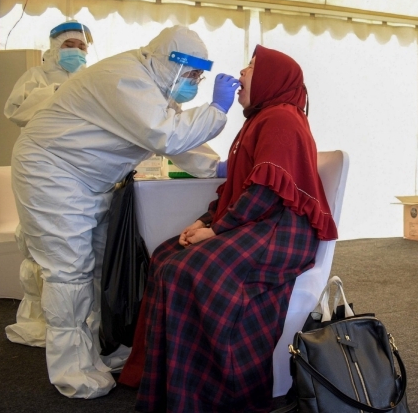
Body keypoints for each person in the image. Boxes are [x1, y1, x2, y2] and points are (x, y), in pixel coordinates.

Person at [9, 25, 239, 399]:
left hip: (86, 180)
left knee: (103, 268)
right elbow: (165, 135)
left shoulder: (152, 87)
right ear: (170, 63)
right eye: (193, 74)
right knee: (69, 272)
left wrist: (214, 168)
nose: (195, 82)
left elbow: (173, 136)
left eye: (201, 76)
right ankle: (74, 371)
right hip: (50, 172)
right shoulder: (125, 77)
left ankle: (105, 347)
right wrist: (216, 110)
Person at [125, 45, 337, 412]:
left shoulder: (280, 119)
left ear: (272, 79)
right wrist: (205, 221)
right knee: (164, 255)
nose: (240, 73)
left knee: (186, 271)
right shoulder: (260, 119)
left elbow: (267, 190)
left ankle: (207, 394)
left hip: (281, 231)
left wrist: (218, 229)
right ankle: (169, 383)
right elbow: (238, 190)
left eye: (252, 67)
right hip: (261, 222)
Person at [3, 20, 94, 349]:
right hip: (40, 169)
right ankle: (42, 319)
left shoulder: (91, 78)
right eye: (71, 46)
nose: (77, 53)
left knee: (76, 243)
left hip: (79, 168)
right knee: (42, 242)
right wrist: (53, 93)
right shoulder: (36, 78)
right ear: (55, 48)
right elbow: (14, 111)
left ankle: (80, 317)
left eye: (82, 47)